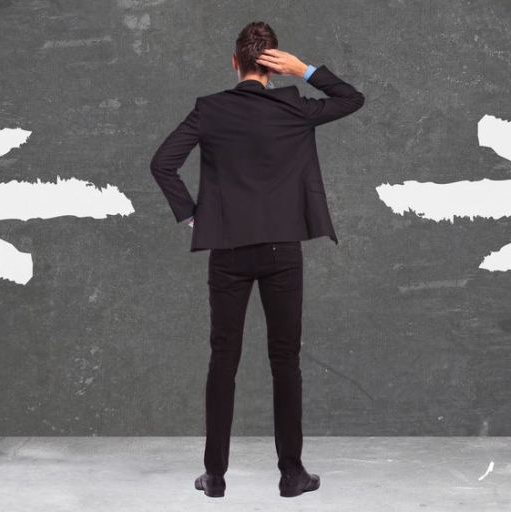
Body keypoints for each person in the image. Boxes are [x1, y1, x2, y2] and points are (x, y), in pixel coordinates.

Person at [150, 21, 365, 498]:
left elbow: (162, 163)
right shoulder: (293, 107)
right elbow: (353, 99)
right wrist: (304, 69)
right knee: (285, 361)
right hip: (281, 251)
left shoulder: (210, 110)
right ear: (273, 66)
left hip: (227, 252)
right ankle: (292, 474)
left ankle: (215, 477)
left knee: (223, 360)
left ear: (234, 63)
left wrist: (192, 217)